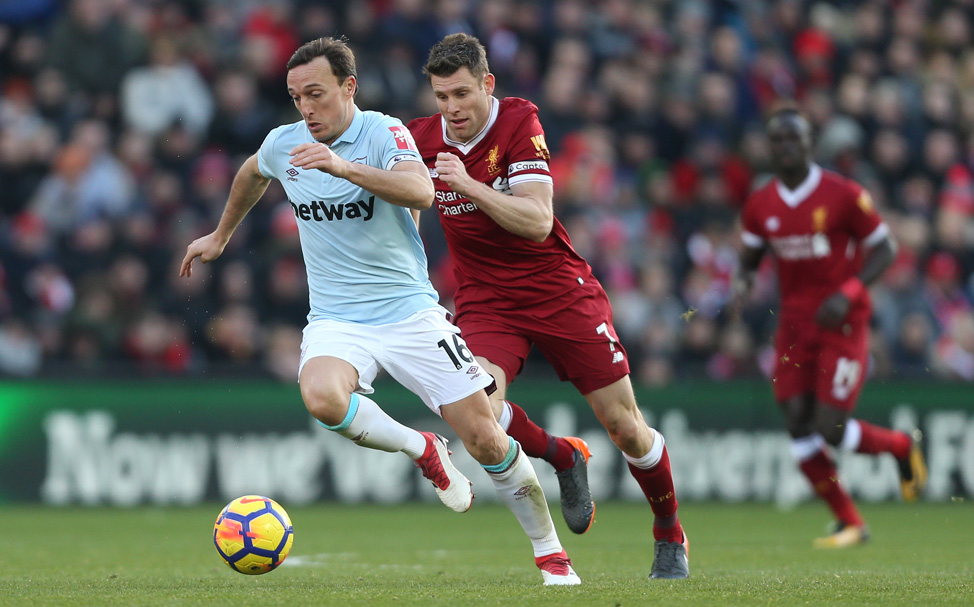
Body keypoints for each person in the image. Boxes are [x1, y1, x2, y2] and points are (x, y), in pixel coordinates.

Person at [179, 37, 579, 585]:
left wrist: (343, 169)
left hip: (410, 312)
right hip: (337, 318)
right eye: (296, 97)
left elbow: (420, 191)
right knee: (321, 397)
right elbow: (253, 171)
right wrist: (221, 236)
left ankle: (550, 553)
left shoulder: (383, 132)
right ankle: (424, 449)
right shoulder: (285, 142)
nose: (306, 108)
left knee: (486, 438)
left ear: (349, 88)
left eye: (316, 94)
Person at [408, 33, 689, 580]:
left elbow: (537, 222)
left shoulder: (518, 123)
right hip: (487, 300)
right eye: (441, 97)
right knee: (478, 413)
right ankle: (562, 455)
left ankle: (668, 531)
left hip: (557, 289)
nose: (452, 109)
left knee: (626, 426)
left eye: (462, 94)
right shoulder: (418, 137)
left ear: (487, 85)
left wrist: (467, 184)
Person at [735, 108, 928, 548]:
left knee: (830, 427)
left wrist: (851, 289)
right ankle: (852, 523)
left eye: (793, 138)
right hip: (793, 327)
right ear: (769, 148)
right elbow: (748, 260)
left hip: (842, 323)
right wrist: (741, 285)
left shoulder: (843, 194)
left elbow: (885, 250)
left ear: (810, 142)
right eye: (777, 140)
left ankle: (899, 446)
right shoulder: (760, 204)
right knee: (797, 424)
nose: (785, 146)